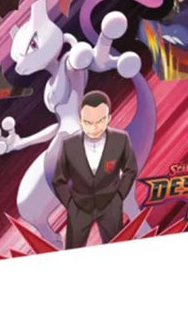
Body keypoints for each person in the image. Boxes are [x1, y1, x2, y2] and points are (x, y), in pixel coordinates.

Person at [52, 91, 138, 248]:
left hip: (110, 205)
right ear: (80, 121)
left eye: (100, 121)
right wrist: (70, 203)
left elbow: (130, 169)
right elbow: (59, 179)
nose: (94, 127)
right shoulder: (68, 145)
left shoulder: (121, 139)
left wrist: (119, 196)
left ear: (109, 119)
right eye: (88, 122)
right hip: (79, 206)